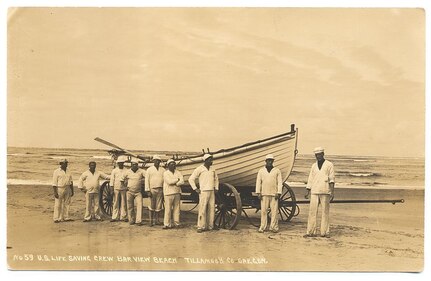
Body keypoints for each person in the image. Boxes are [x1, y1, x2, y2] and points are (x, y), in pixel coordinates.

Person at [304, 147, 335, 238]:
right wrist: (308, 191)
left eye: (320, 154)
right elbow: (310, 179)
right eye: (316, 155)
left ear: (323, 154)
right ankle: (310, 232)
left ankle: (325, 232)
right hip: (314, 191)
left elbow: (332, 179)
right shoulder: (313, 166)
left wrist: (332, 192)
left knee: (325, 212)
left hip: (325, 191)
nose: (318, 156)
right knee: (312, 212)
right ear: (315, 155)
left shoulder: (329, 164)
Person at [188, 154, 219, 233]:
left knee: (212, 208)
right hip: (203, 191)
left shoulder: (213, 169)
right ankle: (200, 226)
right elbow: (191, 179)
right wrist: (195, 189)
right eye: (210, 160)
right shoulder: (199, 169)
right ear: (205, 160)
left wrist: (216, 188)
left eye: (212, 160)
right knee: (202, 209)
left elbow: (216, 179)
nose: (211, 161)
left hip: (211, 191)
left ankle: (210, 226)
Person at [255, 154, 283, 233]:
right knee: (264, 211)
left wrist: (279, 192)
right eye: (268, 160)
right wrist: (258, 193)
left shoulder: (277, 170)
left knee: (274, 212)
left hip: (274, 194)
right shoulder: (261, 171)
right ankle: (263, 227)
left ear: (273, 161)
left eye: (271, 160)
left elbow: (280, 182)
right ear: (266, 161)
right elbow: (258, 182)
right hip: (264, 194)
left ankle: (273, 227)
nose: (270, 162)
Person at [122, 159, 146, 226]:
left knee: (139, 206)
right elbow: (122, 179)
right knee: (130, 207)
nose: (134, 166)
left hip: (138, 192)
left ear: (137, 165)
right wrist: (125, 187)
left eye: (136, 164)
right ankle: (131, 220)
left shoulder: (141, 171)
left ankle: (138, 221)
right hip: (129, 192)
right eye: (133, 164)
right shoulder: (127, 172)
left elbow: (148, 177)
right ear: (131, 165)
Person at [162, 159, 184, 229]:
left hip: (177, 192)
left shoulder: (178, 172)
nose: (173, 165)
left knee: (177, 208)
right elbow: (169, 182)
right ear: (168, 166)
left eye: (174, 164)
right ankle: (167, 224)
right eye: (171, 164)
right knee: (168, 209)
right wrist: (177, 180)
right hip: (168, 193)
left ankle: (176, 223)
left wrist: (177, 183)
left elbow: (182, 181)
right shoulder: (165, 173)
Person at [145, 155, 165, 226]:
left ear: (159, 162)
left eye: (158, 161)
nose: (157, 162)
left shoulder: (163, 170)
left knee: (158, 206)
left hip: (160, 189)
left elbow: (165, 180)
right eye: (155, 160)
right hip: (152, 189)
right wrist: (147, 190)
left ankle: (157, 220)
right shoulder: (149, 169)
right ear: (153, 161)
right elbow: (146, 180)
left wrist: (164, 190)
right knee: (151, 206)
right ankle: (151, 221)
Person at [52, 159, 74, 223]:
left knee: (67, 203)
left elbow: (71, 181)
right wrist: (55, 192)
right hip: (60, 188)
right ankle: (56, 218)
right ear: (61, 164)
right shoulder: (56, 171)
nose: (66, 164)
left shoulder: (69, 171)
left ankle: (66, 217)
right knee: (58, 204)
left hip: (67, 188)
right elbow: (54, 183)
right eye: (65, 163)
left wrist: (72, 190)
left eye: (67, 163)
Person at [110, 156, 128, 222]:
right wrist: (111, 189)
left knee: (124, 203)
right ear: (118, 163)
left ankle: (123, 217)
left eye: (122, 163)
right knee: (115, 202)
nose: (121, 164)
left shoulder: (126, 170)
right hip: (116, 188)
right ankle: (114, 217)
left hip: (123, 188)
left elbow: (127, 179)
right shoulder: (114, 171)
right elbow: (112, 180)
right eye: (119, 163)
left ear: (123, 163)